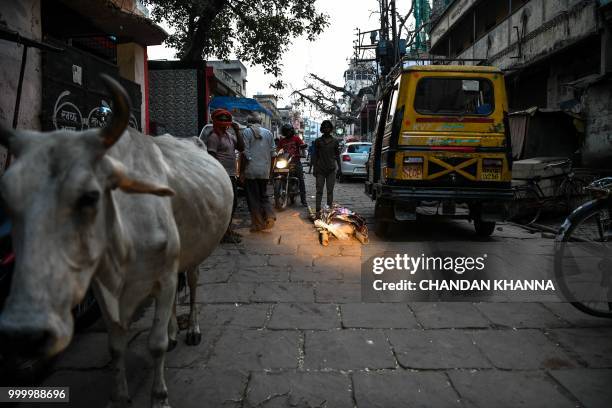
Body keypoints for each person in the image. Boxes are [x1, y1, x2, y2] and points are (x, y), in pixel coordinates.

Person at [206, 108, 245, 243]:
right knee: (225, 205)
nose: (224, 122)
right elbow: (211, 157)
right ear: (216, 121)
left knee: (232, 204)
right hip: (221, 176)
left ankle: (227, 230)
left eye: (225, 120)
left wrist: (237, 131)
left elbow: (241, 147)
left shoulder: (228, 136)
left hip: (231, 175)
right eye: (221, 120)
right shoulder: (214, 137)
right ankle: (223, 233)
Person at [241, 114, 276, 232]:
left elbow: (244, 154)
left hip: (251, 170)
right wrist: (270, 171)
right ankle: (270, 215)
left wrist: (241, 171)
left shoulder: (246, 132)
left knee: (253, 198)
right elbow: (273, 155)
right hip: (264, 170)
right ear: (260, 122)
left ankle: (257, 224)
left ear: (249, 122)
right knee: (263, 195)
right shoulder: (269, 133)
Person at [312, 120, 341, 216]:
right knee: (319, 190)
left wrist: (340, 168)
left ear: (331, 129)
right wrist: (314, 168)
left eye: (328, 127)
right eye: (324, 127)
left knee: (330, 191)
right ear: (322, 129)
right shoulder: (318, 141)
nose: (326, 129)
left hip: (331, 170)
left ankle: (328, 210)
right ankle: (317, 210)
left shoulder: (335, 141)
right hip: (320, 169)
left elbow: (337, 155)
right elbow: (315, 155)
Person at [276, 124, 308, 207]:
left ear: (292, 131)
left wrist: (303, 147)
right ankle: (278, 193)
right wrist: (277, 153)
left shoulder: (296, 138)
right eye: (286, 131)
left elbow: (302, 145)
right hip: (285, 162)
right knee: (277, 173)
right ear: (284, 132)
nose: (288, 132)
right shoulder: (282, 141)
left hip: (295, 161)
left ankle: (303, 200)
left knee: (301, 179)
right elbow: (278, 150)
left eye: (289, 130)